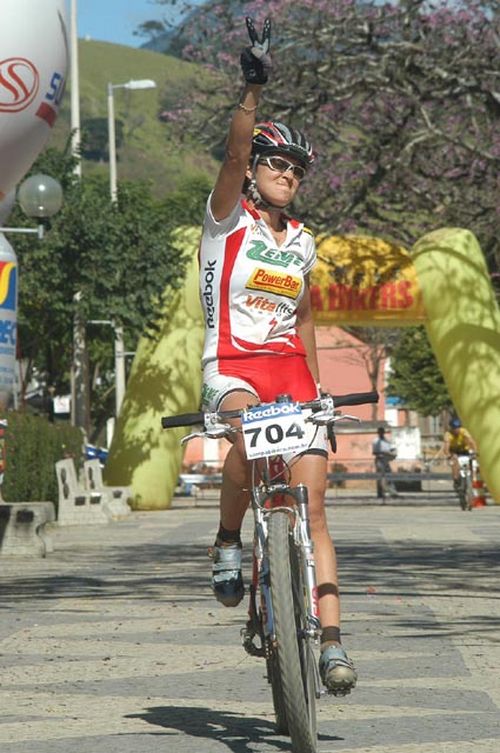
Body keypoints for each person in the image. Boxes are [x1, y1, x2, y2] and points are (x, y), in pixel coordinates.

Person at [198, 16, 356, 695]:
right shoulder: (226, 218)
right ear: (257, 172)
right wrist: (251, 91)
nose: (286, 175)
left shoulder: (303, 242)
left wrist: (318, 387)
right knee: (243, 432)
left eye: (295, 168)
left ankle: (330, 643)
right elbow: (232, 156)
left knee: (314, 505)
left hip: (289, 368)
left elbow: (306, 314)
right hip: (232, 363)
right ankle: (229, 538)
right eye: (276, 164)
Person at [443, 417, 477, 487]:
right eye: (455, 428)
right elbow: (446, 448)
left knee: (471, 460)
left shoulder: (463, 431)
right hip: (453, 451)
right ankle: (456, 479)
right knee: (455, 461)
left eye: (458, 428)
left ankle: (471, 479)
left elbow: (472, 442)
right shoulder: (448, 434)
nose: (457, 430)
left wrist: (475, 451)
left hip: (464, 450)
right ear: (451, 428)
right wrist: (449, 455)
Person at [372, 426, 398, 499]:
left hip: (386, 460)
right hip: (379, 460)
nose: (381, 433)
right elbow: (374, 452)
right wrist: (383, 452)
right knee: (380, 477)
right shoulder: (376, 441)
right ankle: (380, 493)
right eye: (380, 432)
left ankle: (393, 492)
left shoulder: (387, 441)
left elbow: (391, 450)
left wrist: (390, 453)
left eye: (382, 432)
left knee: (389, 476)